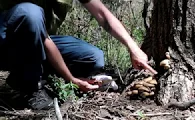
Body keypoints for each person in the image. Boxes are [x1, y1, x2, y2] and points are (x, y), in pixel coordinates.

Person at [0, 0, 157, 110]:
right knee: (30, 13)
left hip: (39, 39)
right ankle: (30, 87)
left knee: (94, 58)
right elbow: (43, 38)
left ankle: (30, 74)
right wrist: (70, 78)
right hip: (7, 41)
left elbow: (103, 14)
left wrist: (133, 48)